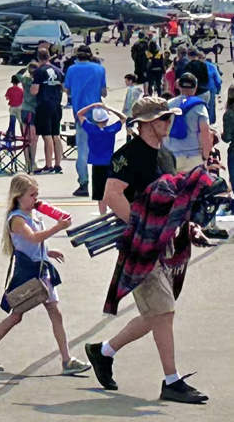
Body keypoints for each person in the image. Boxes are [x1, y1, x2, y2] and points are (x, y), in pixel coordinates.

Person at [85, 96, 213, 404]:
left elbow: (172, 200)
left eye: (169, 118)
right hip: (140, 247)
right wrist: (142, 227)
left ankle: (102, 352)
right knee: (164, 310)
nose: (169, 123)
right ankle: (172, 381)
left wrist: (188, 226)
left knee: (154, 314)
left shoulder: (165, 155)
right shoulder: (127, 156)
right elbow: (112, 195)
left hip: (165, 245)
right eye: (164, 119)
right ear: (144, 124)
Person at [0, 174, 92, 375]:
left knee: (55, 312)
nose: (36, 199)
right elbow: (32, 238)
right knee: (17, 314)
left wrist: (48, 252)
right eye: (32, 195)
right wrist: (58, 227)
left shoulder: (33, 214)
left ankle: (67, 360)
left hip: (41, 268)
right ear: (18, 196)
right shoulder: (17, 219)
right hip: (28, 271)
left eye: (37, 194)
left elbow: (36, 243)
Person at [63, 45, 107, 197]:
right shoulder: (99, 69)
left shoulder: (72, 69)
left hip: (80, 113)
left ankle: (83, 183)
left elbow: (67, 89)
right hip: (97, 113)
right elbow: (104, 92)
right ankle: (100, 181)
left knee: (82, 149)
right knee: (99, 147)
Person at [75, 104, 126, 215]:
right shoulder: (111, 130)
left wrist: (92, 106)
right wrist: (110, 107)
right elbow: (123, 118)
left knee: (99, 193)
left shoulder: (91, 129)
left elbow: (79, 114)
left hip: (96, 164)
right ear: (106, 119)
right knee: (110, 191)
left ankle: (103, 215)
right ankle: (114, 212)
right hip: (109, 164)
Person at [165, 73, 211, 172]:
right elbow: (205, 133)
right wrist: (206, 156)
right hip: (193, 155)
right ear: (196, 87)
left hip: (172, 155)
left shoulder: (168, 105)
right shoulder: (200, 107)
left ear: (178, 86)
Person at [30, 48, 64, 175]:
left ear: (39, 58)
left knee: (47, 136)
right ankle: (58, 164)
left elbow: (35, 90)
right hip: (56, 105)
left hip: (44, 105)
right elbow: (65, 88)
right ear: (49, 57)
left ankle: (48, 164)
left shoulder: (40, 71)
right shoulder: (58, 70)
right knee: (56, 135)